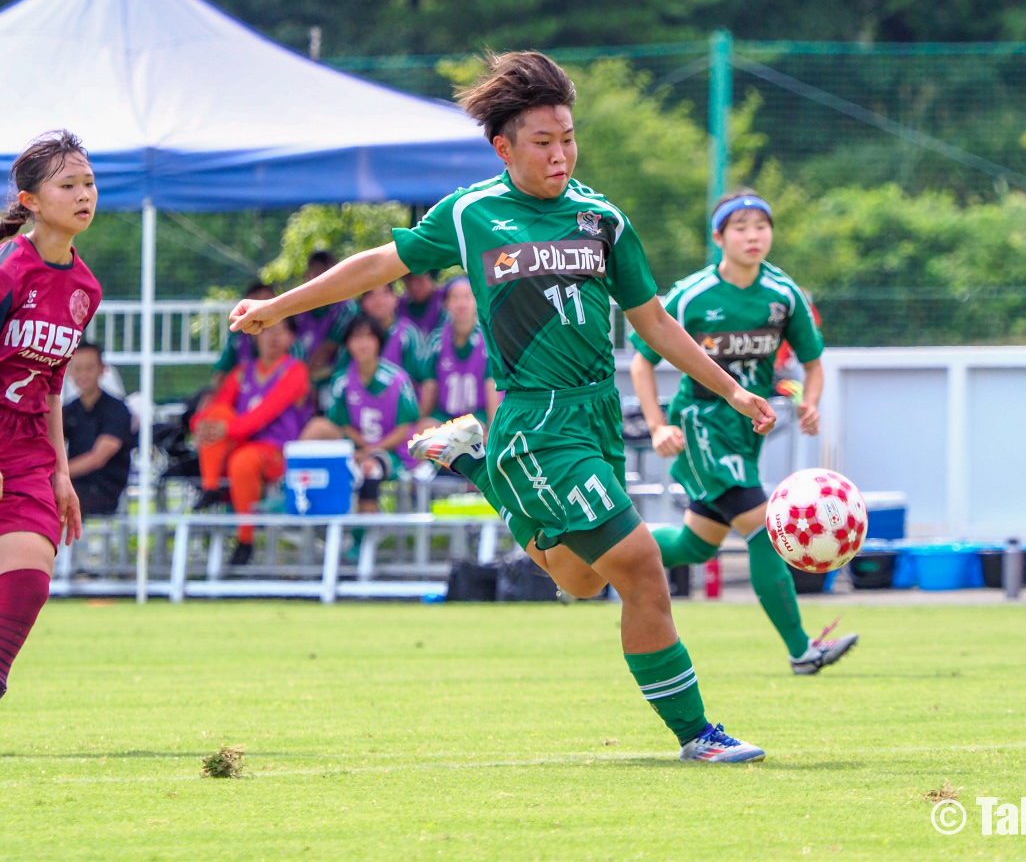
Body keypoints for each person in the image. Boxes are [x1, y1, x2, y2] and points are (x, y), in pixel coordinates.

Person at [231, 52, 776, 763]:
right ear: (503, 148)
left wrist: (732, 387)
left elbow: (656, 323)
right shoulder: (472, 214)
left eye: (568, 139)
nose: (560, 155)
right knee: (643, 566)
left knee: (582, 579)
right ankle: (698, 735)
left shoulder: (603, 220)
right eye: (543, 142)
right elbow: (377, 265)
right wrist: (279, 306)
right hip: (539, 421)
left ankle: (478, 466)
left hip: (597, 415)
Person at [629, 190, 858, 675]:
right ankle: (802, 651)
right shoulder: (692, 295)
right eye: (741, 227)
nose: (753, 236)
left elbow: (813, 364)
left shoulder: (783, 295)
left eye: (761, 226)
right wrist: (657, 425)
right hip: (702, 424)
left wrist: (810, 401)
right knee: (762, 526)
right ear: (718, 237)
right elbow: (641, 362)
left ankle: (595, 551)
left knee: (695, 545)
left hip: (748, 432)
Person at [0, 130, 101, 759]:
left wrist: (60, 473)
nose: (84, 195)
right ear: (30, 200)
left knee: (28, 585)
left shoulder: (85, 287)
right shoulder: (1, 269)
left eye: (89, 183)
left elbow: (50, 384)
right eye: (68, 185)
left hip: (26, 450)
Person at [191, 318, 310, 564]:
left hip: (276, 451)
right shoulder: (242, 372)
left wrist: (226, 429)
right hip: (241, 443)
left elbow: (263, 414)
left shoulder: (295, 371)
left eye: (281, 331)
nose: (273, 337)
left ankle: (245, 540)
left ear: (291, 338)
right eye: (268, 330)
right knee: (218, 414)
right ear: (256, 335)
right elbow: (216, 408)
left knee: (243, 461)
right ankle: (210, 486)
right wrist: (199, 425)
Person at [325, 315, 419, 512]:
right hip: (355, 449)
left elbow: (404, 429)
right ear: (347, 344)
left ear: (379, 341)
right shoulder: (341, 382)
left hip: (393, 453)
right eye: (356, 337)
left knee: (369, 468)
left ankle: (366, 528)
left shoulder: (398, 380)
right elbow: (342, 426)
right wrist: (361, 448)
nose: (363, 344)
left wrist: (373, 449)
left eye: (369, 337)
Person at [62, 342, 134, 515]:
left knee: (48, 499)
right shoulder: (69, 410)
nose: (83, 374)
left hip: (104, 490)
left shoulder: (117, 410)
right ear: (69, 371)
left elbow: (98, 458)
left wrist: (57, 475)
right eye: (77, 368)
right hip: (73, 484)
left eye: (89, 368)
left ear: (102, 369)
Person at [418, 278, 499, 425]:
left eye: (467, 297)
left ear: (476, 301)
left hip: (477, 416)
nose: (461, 303)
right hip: (444, 416)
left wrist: (492, 426)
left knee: (474, 429)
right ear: (446, 303)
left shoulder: (488, 340)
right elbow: (430, 385)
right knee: (424, 427)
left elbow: (492, 385)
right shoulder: (436, 341)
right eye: (455, 297)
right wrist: (420, 420)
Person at [290, 252, 357, 382]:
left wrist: (303, 380)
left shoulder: (347, 308)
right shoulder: (297, 308)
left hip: (334, 378)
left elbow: (329, 348)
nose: (321, 277)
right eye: (315, 271)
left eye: (326, 271)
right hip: (298, 376)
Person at [212, 280, 274, 382]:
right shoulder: (237, 338)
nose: (261, 307)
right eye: (257, 300)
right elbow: (222, 370)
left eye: (266, 300)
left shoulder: (287, 335)